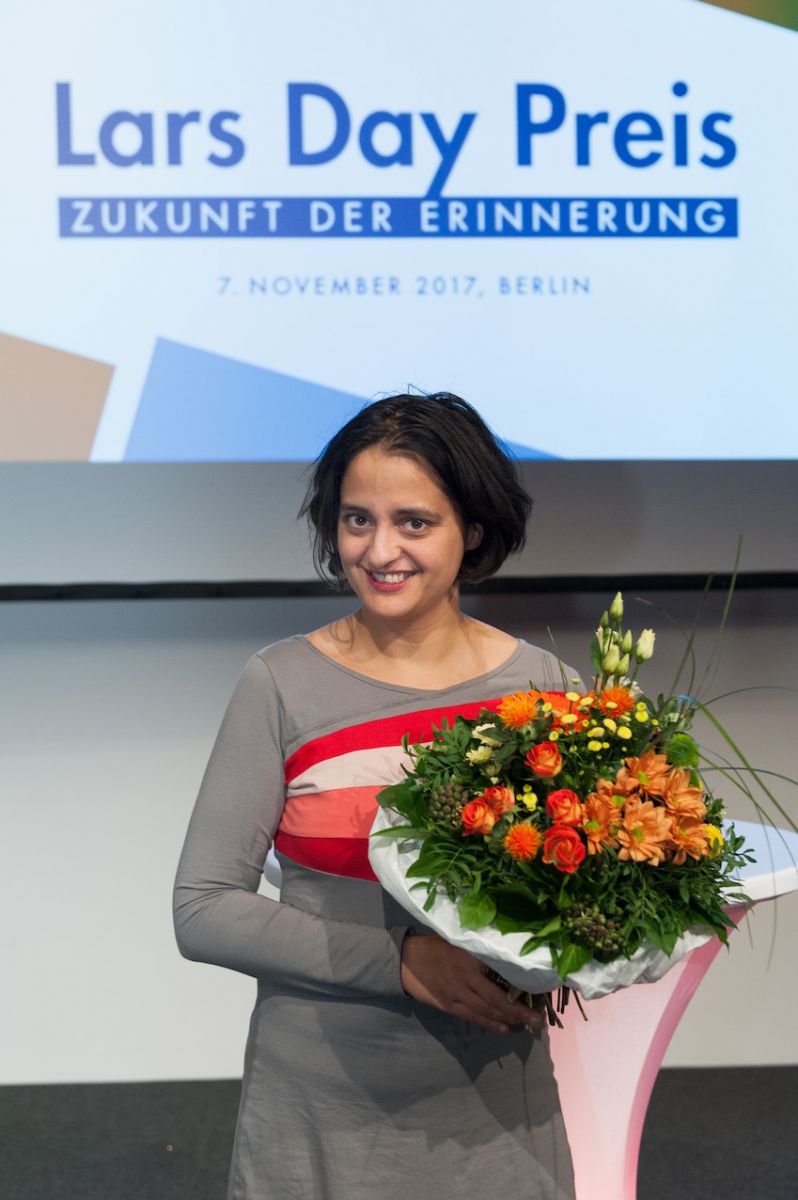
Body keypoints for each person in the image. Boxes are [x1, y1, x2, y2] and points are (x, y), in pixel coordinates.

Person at [173, 392, 576, 1199]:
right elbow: (204, 907)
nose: (380, 549)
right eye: (357, 520)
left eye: (413, 522)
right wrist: (400, 963)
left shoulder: (546, 689)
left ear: (474, 529)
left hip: (500, 1120)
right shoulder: (279, 683)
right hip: (318, 1121)